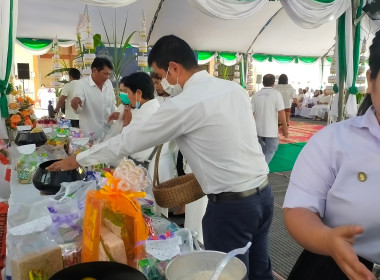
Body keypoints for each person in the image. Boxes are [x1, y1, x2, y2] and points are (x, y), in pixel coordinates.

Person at [47, 35, 273, 280]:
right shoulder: (234, 89)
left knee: (227, 273)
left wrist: (77, 159)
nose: (161, 83)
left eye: (159, 74)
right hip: (263, 195)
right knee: (260, 270)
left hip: (232, 208)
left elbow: (129, 141)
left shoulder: (185, 103)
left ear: (174, 68)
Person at [282, 31, 380, 280]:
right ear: (371, 80)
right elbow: (299, 208)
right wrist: (327, 239)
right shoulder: (334, 140)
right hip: (337, 264)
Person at [71, 57, 116, 138]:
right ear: (95, 70)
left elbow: (112, 104)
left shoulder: (108, 83)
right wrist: (76, 102)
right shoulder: (81, 84)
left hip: (108, 134)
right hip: (90, 136)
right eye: (105, 74)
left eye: (109, 74)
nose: (107, 77)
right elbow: (78, 103)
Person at [251, 74, 288, 164]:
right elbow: (281, 112)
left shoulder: (256, 95)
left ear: (263, 82)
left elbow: (250, 113)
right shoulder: (276, 94)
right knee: (271, 149)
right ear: (273, 83)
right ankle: (262, 168)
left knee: (262, 150)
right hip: (271, 130)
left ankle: (259, 166)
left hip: (257, 128)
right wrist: (285, 127)